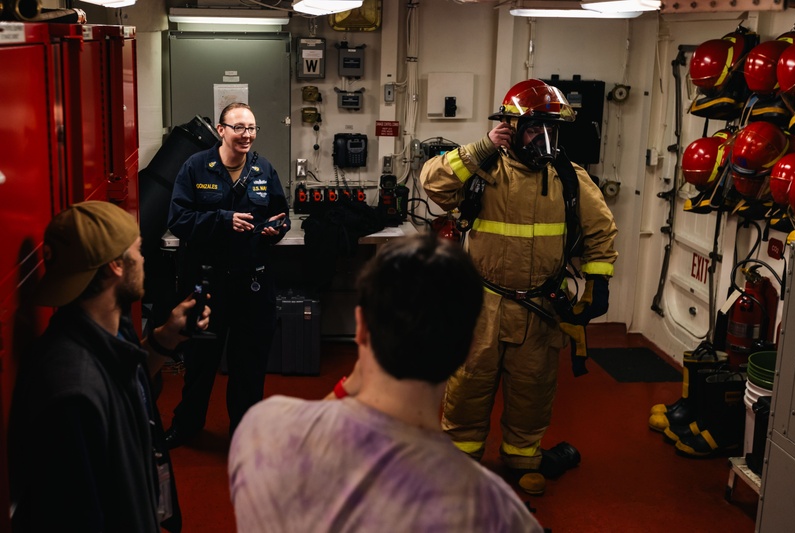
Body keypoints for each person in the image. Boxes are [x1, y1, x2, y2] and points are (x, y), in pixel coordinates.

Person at [228, 234, 543, 533]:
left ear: (361, 327)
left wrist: (347, 386)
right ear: (471, 347)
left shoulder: (260, 431)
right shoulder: (497, 512)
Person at [419, 78, 618, 496]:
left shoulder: (568, 177)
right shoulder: (483, 171)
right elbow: (432, 184)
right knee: (469, 386)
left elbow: (601, 229)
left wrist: (597, 282)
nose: (544, 140)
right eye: (533, 129)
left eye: (552, 130)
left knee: (533, 388)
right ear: (510, 128)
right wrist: (481, 148)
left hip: (541, 309)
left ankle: (522, 457)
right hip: (483, 307)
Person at [7, 200, 210, 532]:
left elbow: (125, 386)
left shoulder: (107, 328)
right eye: (139, 251)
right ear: (116, 265)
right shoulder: (71, 393)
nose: (144, 260)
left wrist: (166, 338)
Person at [165, 102, 291, 447]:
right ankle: (187, 425)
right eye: (239, 127)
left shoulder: (263, 169)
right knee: (200, 364)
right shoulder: (195, 167)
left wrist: (276, 230)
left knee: (248, 368)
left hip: (253, 285)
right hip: (209, 285)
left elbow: (282, 215)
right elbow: (178, 221)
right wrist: (222, 220)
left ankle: (245, 434)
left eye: (251, 128)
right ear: (221, 130)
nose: (246, 134)